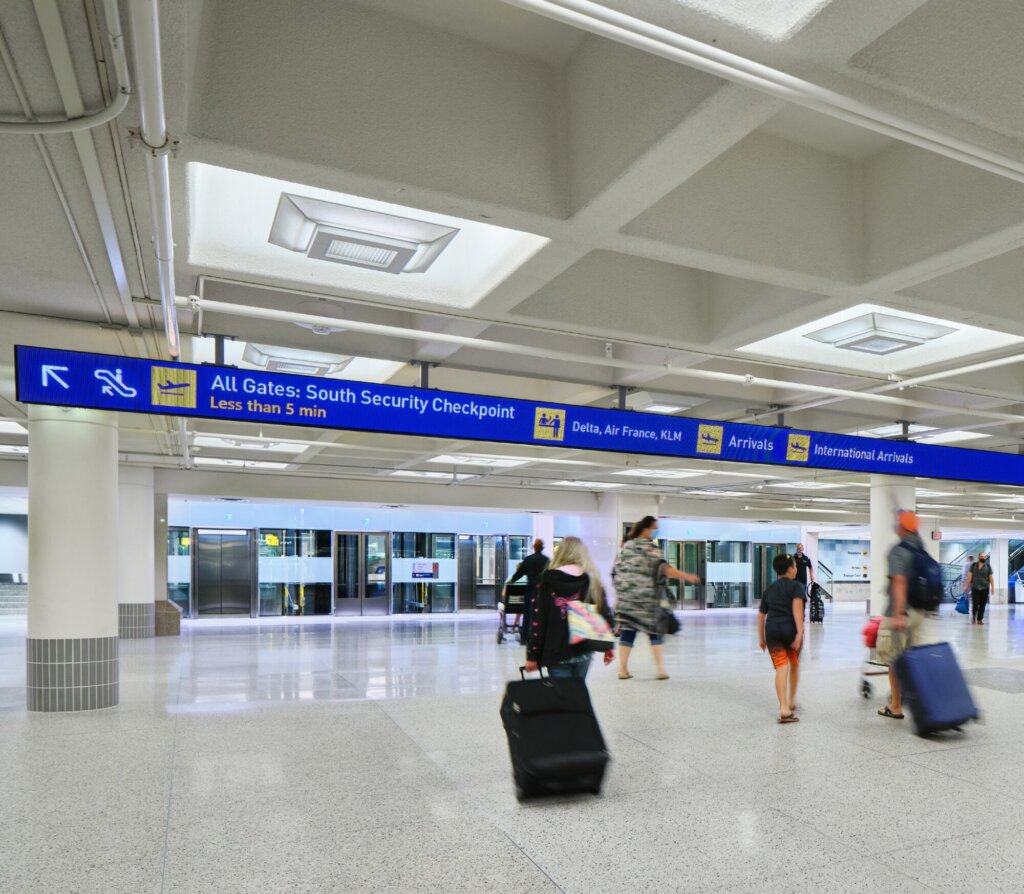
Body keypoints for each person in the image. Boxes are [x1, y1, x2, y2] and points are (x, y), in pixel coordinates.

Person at [612, 516, 701, 681]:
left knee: (628, 633)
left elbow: (615, 572)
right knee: (655, 634)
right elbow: (665, 569)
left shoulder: (626, 548)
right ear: (646, 529)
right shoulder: (650, 549)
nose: (656, 530)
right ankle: (660, 670)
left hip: (627, 602)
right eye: (654, 527)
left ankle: (623, 670)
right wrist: (687, 576)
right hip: (647, 602)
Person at [524, 536, 615, 679]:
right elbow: (605, 615)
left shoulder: (547, 580)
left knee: (564, 697)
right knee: (577, 694)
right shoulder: (591, 579)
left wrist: (532, 655)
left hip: (555, 652)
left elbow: (537, 621)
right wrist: (608, 646)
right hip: (583, 652)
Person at [875, 510, 930, 721]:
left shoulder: (898, 551)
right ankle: (920, 703)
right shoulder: (921, 548)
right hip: (918, 612)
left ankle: (896, 706)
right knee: (913, 659)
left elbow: (899, 581)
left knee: (895, 660)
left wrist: (898, 613)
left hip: (901, 613)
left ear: (902, 528)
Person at [757, 554, 805, 723]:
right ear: (791, 568)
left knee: (781, 668)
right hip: (790, 631)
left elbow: (761, 615)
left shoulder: (769, 589)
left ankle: (783, 707)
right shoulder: (797, 587)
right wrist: (799, 632)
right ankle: (791, 701)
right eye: (795, 566)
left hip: (772, 632)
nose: (796, 569)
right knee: (793, 665)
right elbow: (797, 608)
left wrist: (761, 638)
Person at [504, 538, 550, 644]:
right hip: (542, 592)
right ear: (542, 548)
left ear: (534, 547)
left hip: (531, 590)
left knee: (528, 613)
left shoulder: (528, 559)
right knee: (542, 614)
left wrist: (511, 581)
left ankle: (524, 637)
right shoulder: (547, 560)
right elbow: (550, 576)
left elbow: (519, 573)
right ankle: (541, 637)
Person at [965, 551, 994, 625]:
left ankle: (979, 619)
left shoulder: (988, 566)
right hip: (975, 588)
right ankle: (974, 616)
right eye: (982, 556)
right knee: (975, 604)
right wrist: (966, 586)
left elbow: (991, 577)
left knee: (982, 605)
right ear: (978, 557)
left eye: (984, 557)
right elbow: (969, 577)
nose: (983, 558)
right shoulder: (973, 565)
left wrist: (992, 587)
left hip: (985, 588)